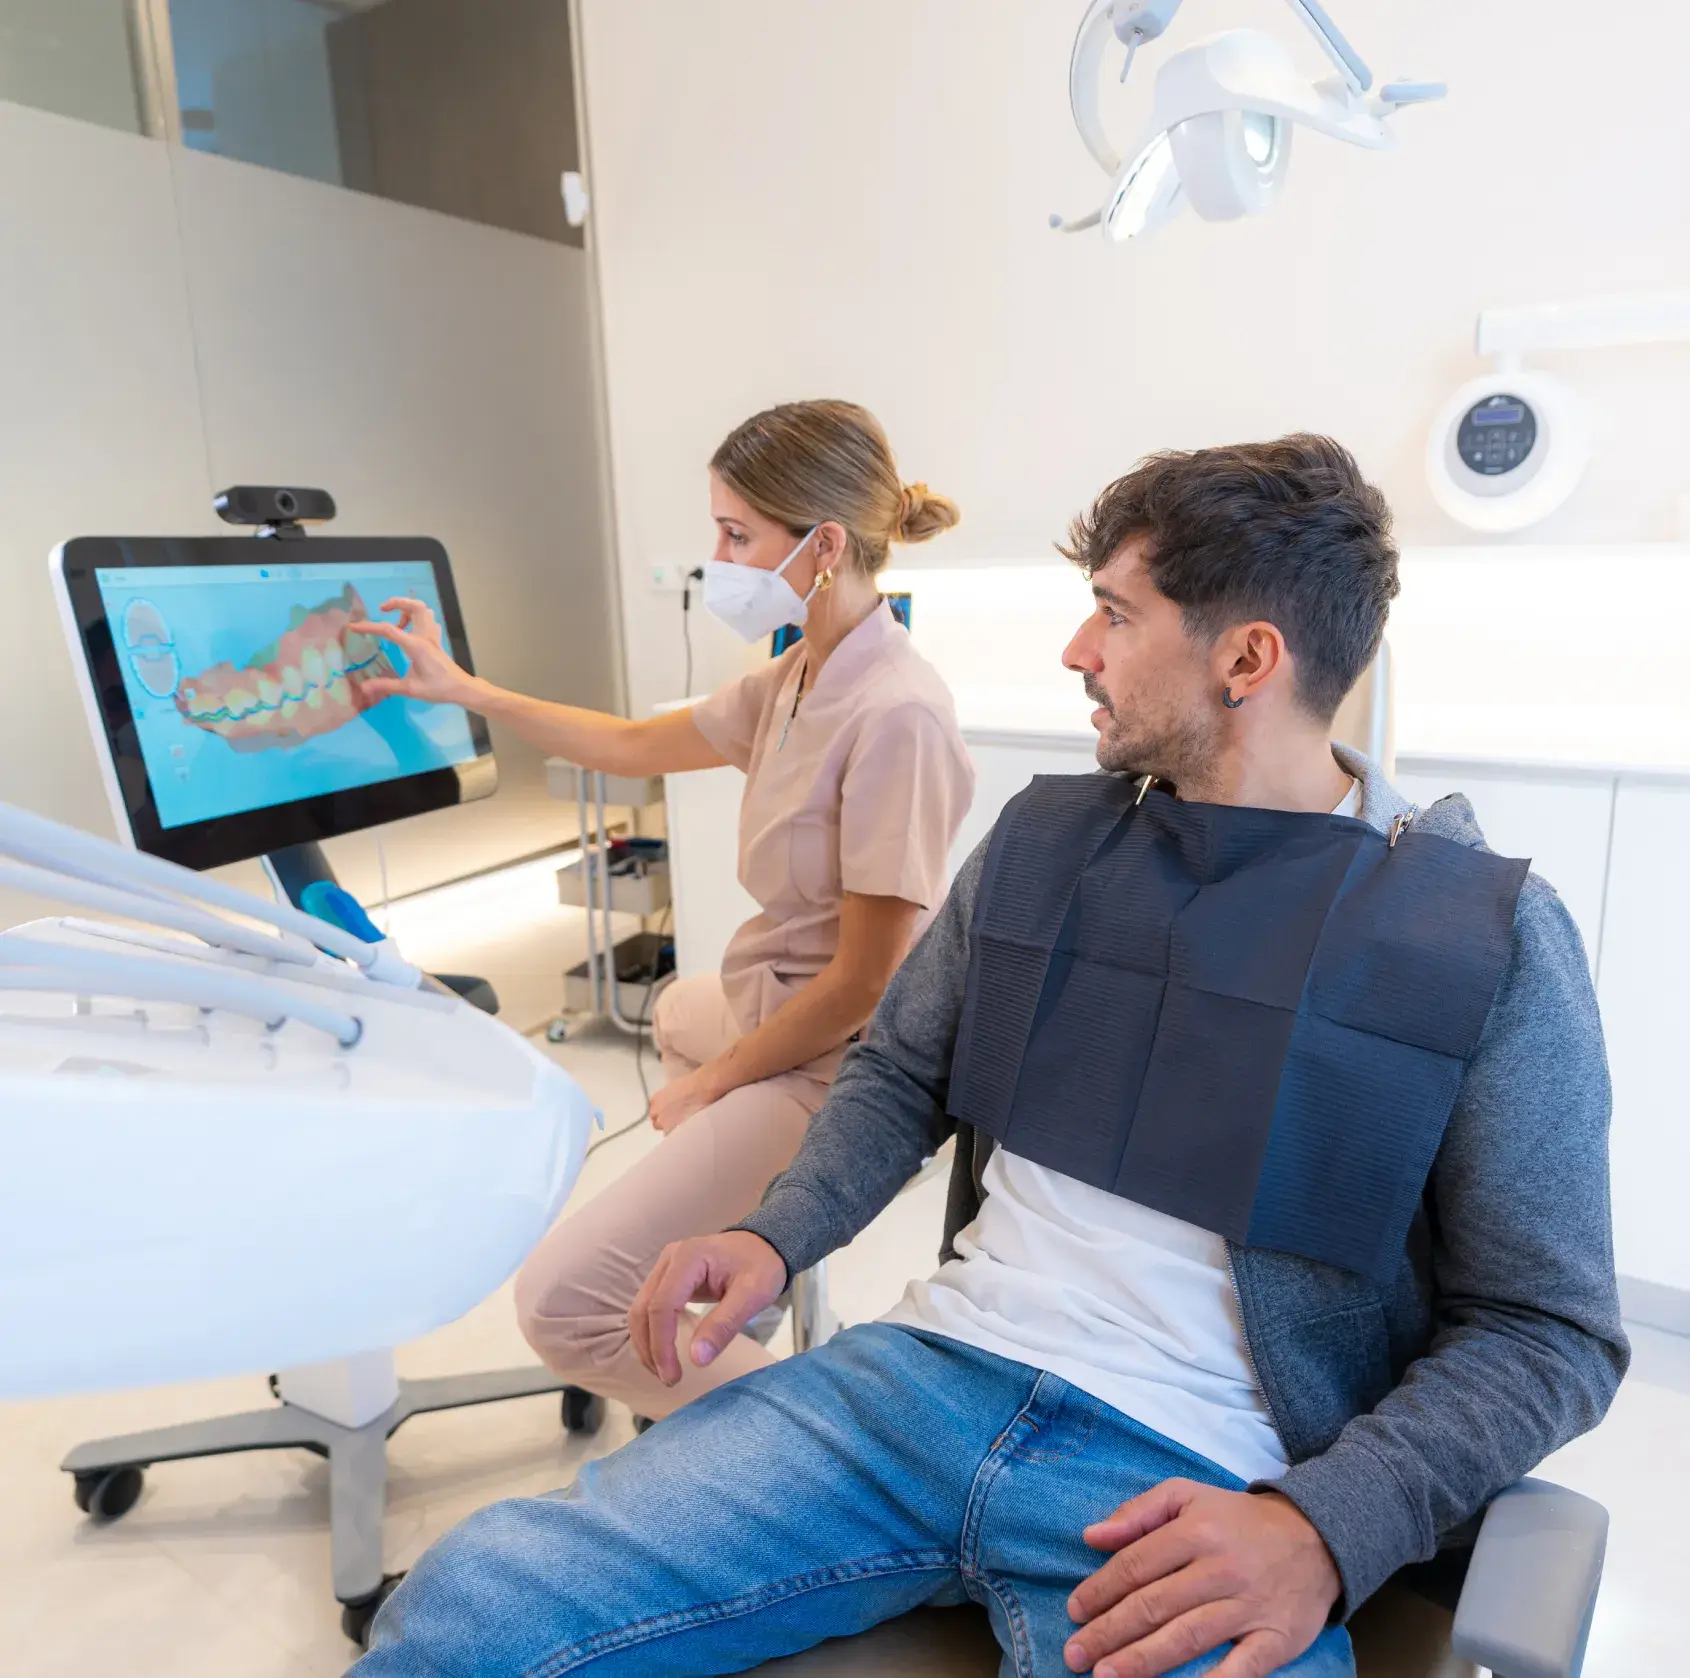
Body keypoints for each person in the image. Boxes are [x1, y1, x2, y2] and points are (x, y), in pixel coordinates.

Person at [351, 437, 1625, 1678]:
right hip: (914, 1391)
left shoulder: (1481, 937)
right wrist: (776, 1234)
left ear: (1247, 657)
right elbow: (901, 1071)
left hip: (1195, 1474)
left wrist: (1323, 1523)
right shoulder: (1041, 845)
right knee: (469, 1607)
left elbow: (1547, 1328)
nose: (1076, 650)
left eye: (1113, 617)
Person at [352, 398, 975, 1421]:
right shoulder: (797, 672)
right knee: (678, 1006)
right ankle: (735, 1297)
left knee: (561, 1306)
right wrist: (463, 689)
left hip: (838, 1057)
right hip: (767, 1005)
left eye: (735, 533)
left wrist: (722, 1083)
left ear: (821, 546)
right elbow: (633, 743)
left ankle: (828, 1440)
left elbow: (867, 978)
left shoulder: (896, 714)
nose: (715, 556)